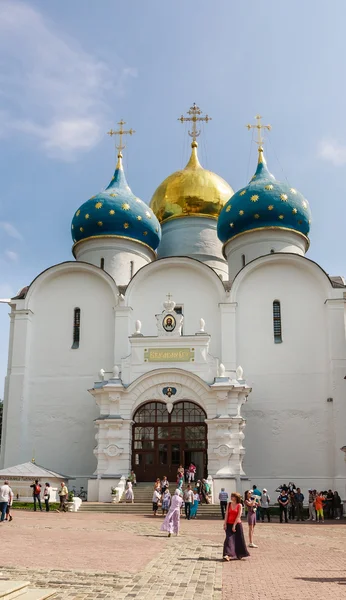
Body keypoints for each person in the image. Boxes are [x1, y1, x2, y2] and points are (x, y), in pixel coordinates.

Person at [223, 492, 249, 561]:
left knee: (238, 540)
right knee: (228, 539)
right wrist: (225, 523)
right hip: (229, 524)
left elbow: (238, 516)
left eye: (233, 496)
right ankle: (227, 554)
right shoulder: (229, 504)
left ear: (236, 497)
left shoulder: (239, 505)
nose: (231, 497)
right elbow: (226, 514)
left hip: (237, 524)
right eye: (231, 496)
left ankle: (239, 554)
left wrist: (234, 525)